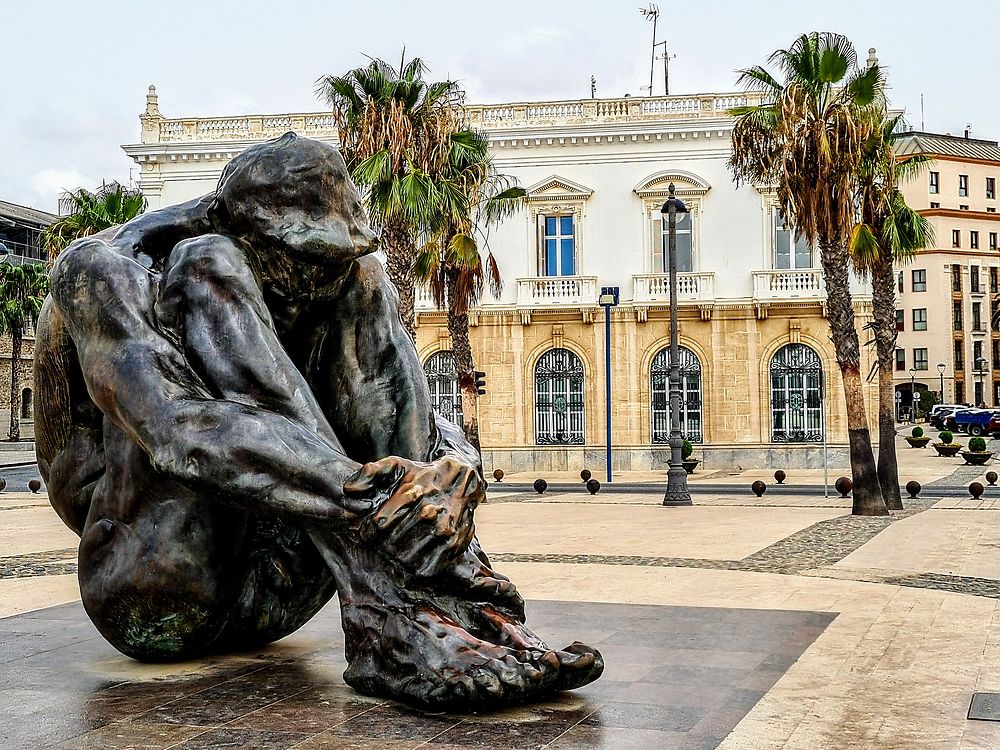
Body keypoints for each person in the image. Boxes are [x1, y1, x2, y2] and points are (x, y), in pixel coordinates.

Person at [36, 133, 601, 707]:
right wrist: (373, 499)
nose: (317, 282)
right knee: (206, 269)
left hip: (287, 586)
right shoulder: (103, 272)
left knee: (367, 278)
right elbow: (178, 432)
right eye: (302, 260)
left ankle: (451, 602)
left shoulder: (337, 277)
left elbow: (411, 410)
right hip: (156, 585)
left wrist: (450, 471)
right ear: (242, 225)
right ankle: (395, 616)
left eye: (331, 257)